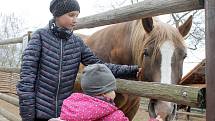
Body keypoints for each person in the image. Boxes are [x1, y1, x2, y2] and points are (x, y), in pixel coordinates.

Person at [16, 0, 141, 121]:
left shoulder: (77, 43)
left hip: (64, 114)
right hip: (38, 113)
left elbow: (99, 65)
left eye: (77, 15)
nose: (75, 20)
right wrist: (28, 114)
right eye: (71, 15)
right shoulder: (40, 37)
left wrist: (131, 70)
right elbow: (27, 77)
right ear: (57, 14)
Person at [49, 64, 162, 121]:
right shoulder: (113, 116)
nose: (114, 92)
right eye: (112, 89)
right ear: (104, 93)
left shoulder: (70, 107)